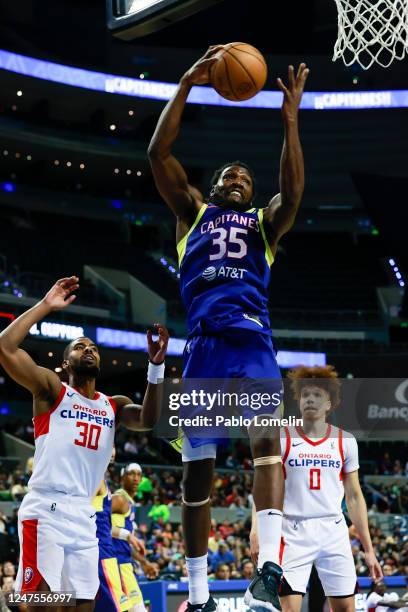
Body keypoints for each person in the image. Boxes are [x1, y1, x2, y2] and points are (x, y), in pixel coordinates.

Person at [148, 45, 309, 612]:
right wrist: (187, 83)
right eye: (227, 174)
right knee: (199, 475)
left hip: (253, 342)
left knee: (267, 446)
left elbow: (292, 194)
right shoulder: (192, 213)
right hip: (205, 347)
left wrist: (289, 123)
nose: (236, 177)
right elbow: (157, 151)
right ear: (213, 187)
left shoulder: (265, 223)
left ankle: (267, 570)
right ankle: (197, 596)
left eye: (244, 174)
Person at [0, 276, 169, 612]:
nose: (88, 350)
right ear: (66, 363)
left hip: (83, 514)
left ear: (100, 362)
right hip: (46, 508)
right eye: (79, 347)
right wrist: (46, 305)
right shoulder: (52, 390)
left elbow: (149, 419)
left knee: (81, 605)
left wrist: (156, 367)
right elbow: (5, 347)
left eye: (92, 347)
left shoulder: (114, 405)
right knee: (42, 603)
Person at [250, 365, 383, 612]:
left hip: (333, 530)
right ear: (298, 401)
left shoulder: (346, 441)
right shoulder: (281, 437)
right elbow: (264, 488)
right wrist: (256, 530)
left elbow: (354, 497)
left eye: (317, 395)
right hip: (291, 531)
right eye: (305, 395)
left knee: (346, 609)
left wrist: (369, 549)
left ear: (329, 403)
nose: (310, 399)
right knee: (288, 609)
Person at [112, 463, 159, 612]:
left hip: (125, 563)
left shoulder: (129, 503)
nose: (136, 478)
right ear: (122, 477)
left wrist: (144, 562)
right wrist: (127, 535)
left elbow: (122, 542)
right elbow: (96, 522)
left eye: (139, 474)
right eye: (131, 473)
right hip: (116, 564)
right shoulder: (119, 499)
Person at [92, 448, 130, 612]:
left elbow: (104, 525)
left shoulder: (100, 478)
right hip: (100, 554)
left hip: (103, 553)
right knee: (118, 608)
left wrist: (128, 535)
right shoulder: (94, 477)